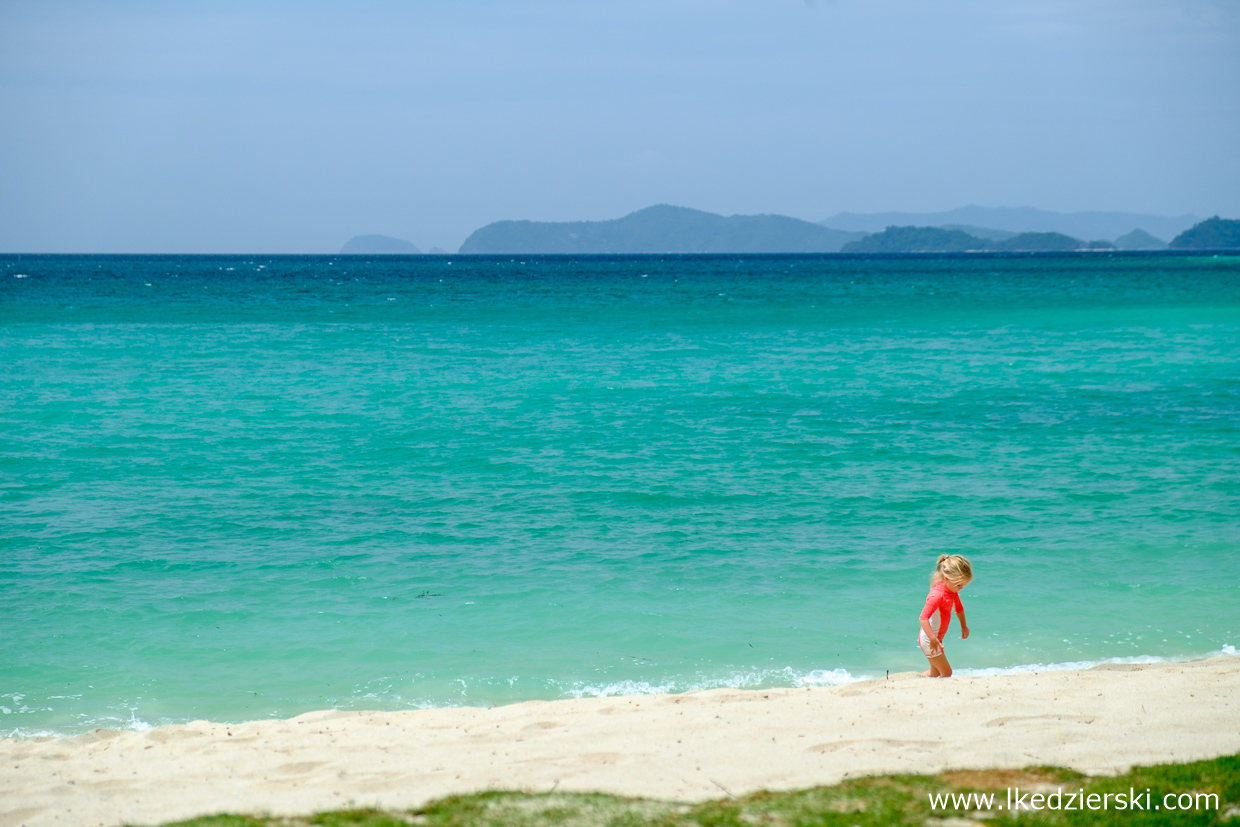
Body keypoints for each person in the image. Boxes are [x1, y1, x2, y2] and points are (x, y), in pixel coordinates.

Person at [918, 554, 972, 677]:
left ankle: (913, 680)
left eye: (963, 585)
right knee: (947, 673)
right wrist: (933, 639)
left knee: (935, 672)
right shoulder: (937, 594)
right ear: (946, 577)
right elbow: (923, 618)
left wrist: (964, 626)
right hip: (929, 639)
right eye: (959, 585)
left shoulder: (951, 591)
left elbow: (959, 608)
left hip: (936, 638)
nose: (961, 588)